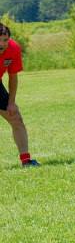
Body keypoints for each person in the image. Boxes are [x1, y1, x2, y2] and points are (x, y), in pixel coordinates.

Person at [0, 25, 38, 167]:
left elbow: (13, 77)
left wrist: (11, 103)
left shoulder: (13, 48)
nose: (2, 44)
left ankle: (26, 161)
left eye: (5, 40)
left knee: (16, 118)